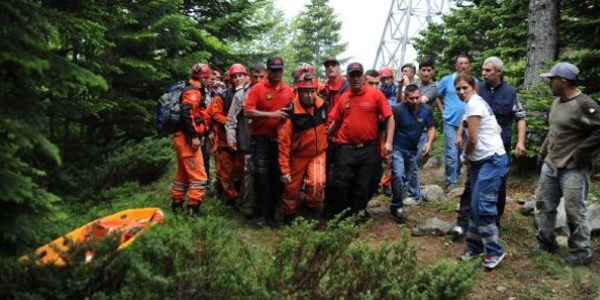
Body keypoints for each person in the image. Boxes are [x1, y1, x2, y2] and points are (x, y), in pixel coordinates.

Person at [451, 56, 527, 237]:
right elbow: (467, 113)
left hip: (499, 148)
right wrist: (460, 133)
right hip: (477, 148)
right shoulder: (477, 90)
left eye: (488, 70)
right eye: (483, 70)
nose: (483, 73)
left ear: (498, 72)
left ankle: (493, 223)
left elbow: (521, 117)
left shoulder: (510, 92)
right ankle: (463, 223)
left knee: (499, 186)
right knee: (471, 185)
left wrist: (521, 141)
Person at [535, 62, 600, 266]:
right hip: (551, 164)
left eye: (551, 80)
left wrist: (581, 153)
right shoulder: (557, 102)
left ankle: (581, 253)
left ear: (562, 82)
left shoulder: (584, 104)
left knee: (574, 210)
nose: (549, 83)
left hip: (574, 168)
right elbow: (553, 131)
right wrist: (542, 152)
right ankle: (546, 242)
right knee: (545, 205)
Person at [453, 72, 508, 270]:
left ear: (473, 88)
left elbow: (474, 138)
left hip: (491, 161)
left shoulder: (475, 103)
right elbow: (475, 123)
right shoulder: (474, 104)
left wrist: (464, 156)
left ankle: (495, 250)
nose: (461, 92)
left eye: (464, 88)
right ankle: (475, 247)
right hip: (481, 162)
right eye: (458, 89)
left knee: (483, 207)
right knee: (475, 205)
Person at [326, 62, 394, 219]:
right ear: (347, 77)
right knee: (341, 184)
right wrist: (326, 135)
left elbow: (389, 117)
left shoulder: (375, 95)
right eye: (352, 75)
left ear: (363, 77)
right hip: (346, 148)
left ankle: (356, 215)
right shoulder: (344, 98)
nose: (356, 78)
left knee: (363, 185)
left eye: (358, 75)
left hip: (368, 149)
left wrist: (389, 142)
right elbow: (336, 121)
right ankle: (340, 216)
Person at [244, 56, 294, 228]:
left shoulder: (289, 91)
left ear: (283, 71)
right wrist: (271, 115)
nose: (276, 73)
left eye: (279, 70)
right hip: (261, 140)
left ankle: (272, 215)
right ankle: (260, 215)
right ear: (267, 70)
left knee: (276, 178)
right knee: (261, 177)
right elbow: (247, 112)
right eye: (273, 70)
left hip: (281, 143)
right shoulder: (257, 89)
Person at [277, 67, 328, 224]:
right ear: (298, 91)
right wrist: (284, 169)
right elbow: (283, 143)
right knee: (291, 188)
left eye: (312, 91)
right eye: (306, 92)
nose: (310, 95)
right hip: (297, 155)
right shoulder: (291, 112)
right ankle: (289, 214)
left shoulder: (322, 105)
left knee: (317, 183)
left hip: (317, 153)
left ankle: (312, 208)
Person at [225, 63, 266, 217]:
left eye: (262, 77)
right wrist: (231, 138)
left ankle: (267, 207)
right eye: (255, 77)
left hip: (269, 141)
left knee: (267, 174)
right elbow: (231, 119)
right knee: (249, 173)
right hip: (249, 142)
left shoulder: (273, 92)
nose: (259, 80)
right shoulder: (241, 95)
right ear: (250, 76)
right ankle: (248, 206)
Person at [170, 63, 212, 216]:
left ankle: (177, 204)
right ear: (202, 78)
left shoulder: (190, 88)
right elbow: (187, 114)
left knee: (182, 175)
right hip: (187, 140)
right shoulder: (193, 92)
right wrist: (194, 136)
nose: (209, 80)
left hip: (181, 137)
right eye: (208, 78)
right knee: (198, 175)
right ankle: (193, 209)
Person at [389, 84, 436, 220]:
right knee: (398, 175)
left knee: (406, 178)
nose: (415, 101)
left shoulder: (426, 109)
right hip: (398, 147)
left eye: (417, 97)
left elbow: (431, 128)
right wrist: (388, 145)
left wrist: (429, 142)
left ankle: (401, 198)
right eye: (411, 99)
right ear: (405, 98)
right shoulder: (398, 110)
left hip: (413, 149)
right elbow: (390, 127)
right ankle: (397, 205)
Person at [209, 63, 247, 206]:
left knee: (240, 168)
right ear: (230, 79)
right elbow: (216, 114)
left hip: (242, 140)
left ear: (245, 76)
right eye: (234, 76)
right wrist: (231, 122)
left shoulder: (250, 93)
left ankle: (236, 193)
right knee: (225, 171)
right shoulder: (222, 96)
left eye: (240, 76)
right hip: (225, 140)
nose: (237, 79)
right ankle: (229, 198)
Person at [318, 56, 349, 219]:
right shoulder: (322, 90)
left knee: (340, 176)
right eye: (327, 66)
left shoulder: (347, 87)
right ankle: (328, 208)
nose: (330, 68)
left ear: (339, 67)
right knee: (326, 175)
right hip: (326, 138)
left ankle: (342, 209)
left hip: (343, 139)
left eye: (333, 65)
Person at [438, 54, 473, 190]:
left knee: (461, 154)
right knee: (452, 153)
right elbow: (435, 94)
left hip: (467, 123)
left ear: (469, 65)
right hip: (450, 123)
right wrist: (442, 111)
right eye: (460, 63)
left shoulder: (473, 81)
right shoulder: (447, 80)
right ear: (456, 65)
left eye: (465, 63)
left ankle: (456, 177)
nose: (463, 66)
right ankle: (450, 183)